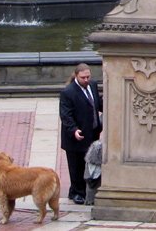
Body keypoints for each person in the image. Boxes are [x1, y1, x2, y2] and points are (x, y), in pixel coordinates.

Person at [59, 63, 102, 204]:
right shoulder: (68, 92)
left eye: (88, 76)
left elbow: (97, 103)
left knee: (87, 164)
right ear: (76, 76)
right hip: (76, 136)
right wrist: (73, 130)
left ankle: (76, 191)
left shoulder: (93, 85)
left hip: (92, 133)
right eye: (83, 77)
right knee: (76, 166)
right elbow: (66, 115)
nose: (86, 79)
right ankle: (77, 192)